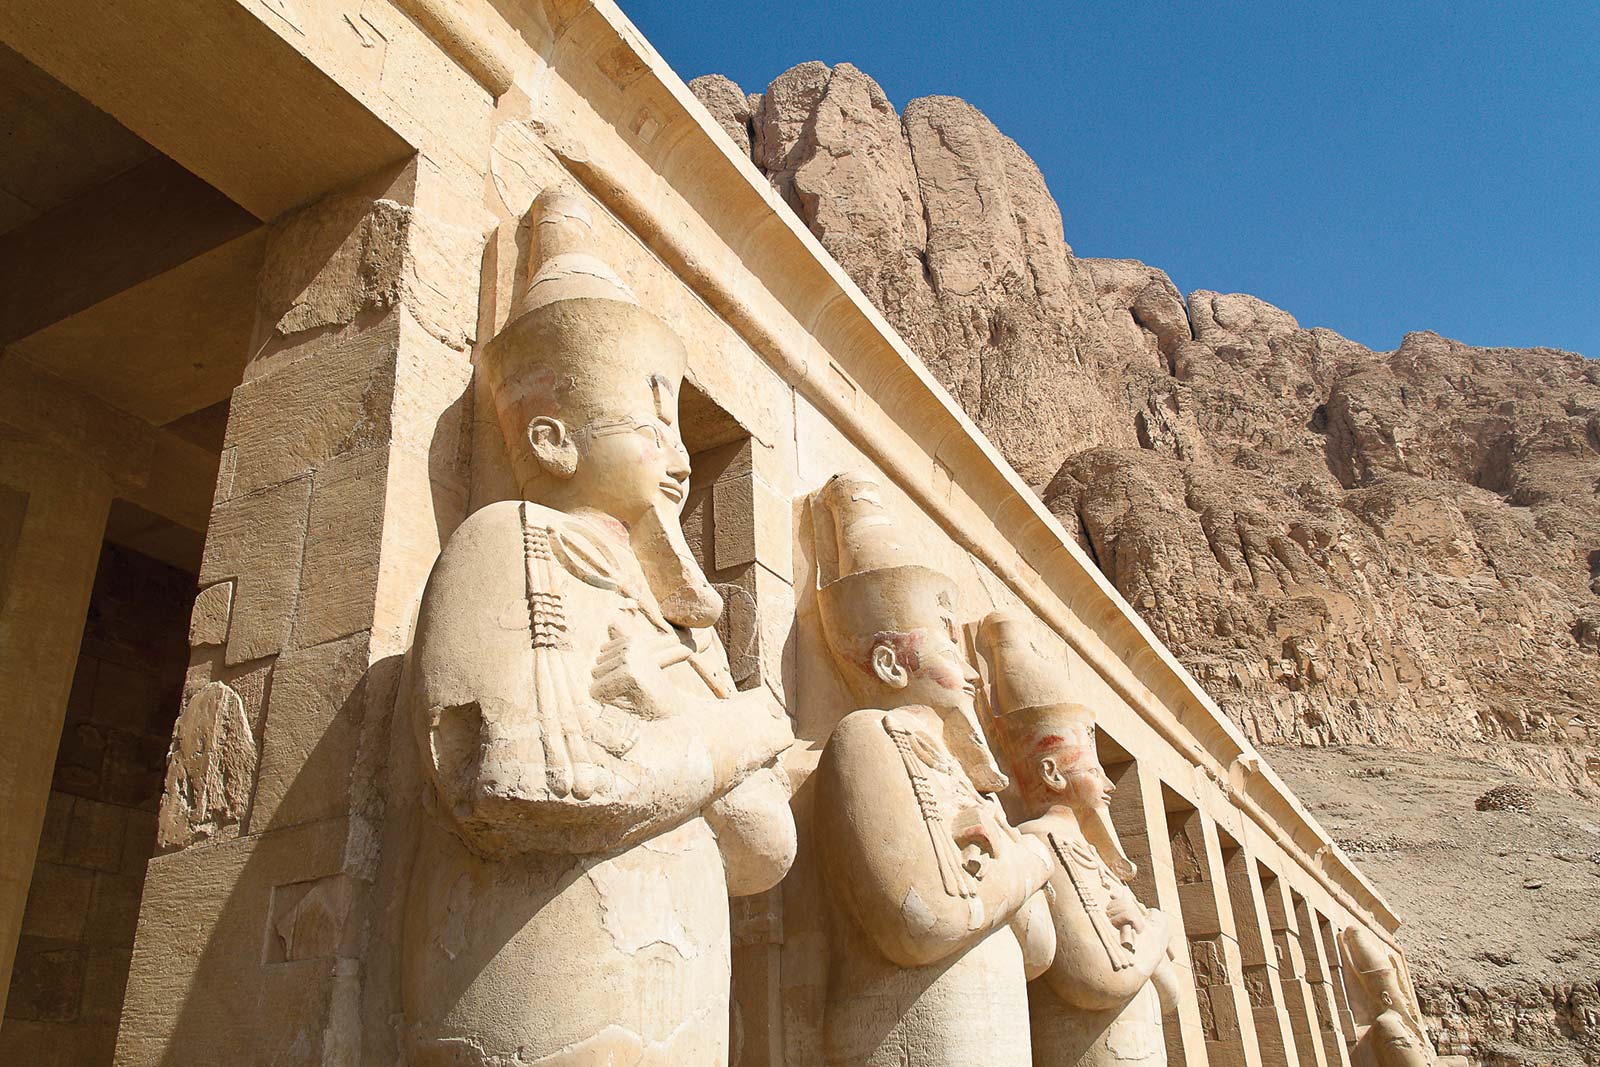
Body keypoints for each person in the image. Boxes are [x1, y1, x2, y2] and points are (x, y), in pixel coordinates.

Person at [400, 185, 797, 1065]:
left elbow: (764, 845)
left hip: (676, 1007)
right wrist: (737, 729)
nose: (682, 457)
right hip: (542, 999)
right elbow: (522, 785)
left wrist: (683, 728)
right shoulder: (509, 542)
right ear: (551, 439)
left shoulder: (673, 630)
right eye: (655, 420)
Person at [811, 471, 1053, 1067]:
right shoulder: (868, 738)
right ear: (890, 664)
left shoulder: (962, 778)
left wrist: (1006, 862)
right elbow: (920, 919)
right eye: (949, 648)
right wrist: (1026, 862)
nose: (973, 675)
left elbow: (1038, 951)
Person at [979, 612, 1181, 1067]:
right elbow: (1100, 978)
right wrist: (1157, 928)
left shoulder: (1094, 859)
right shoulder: (1042, 842)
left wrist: (1145, 939)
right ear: (1050, 773)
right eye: (1094, 771)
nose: (1109, 787)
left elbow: (1167, 992)